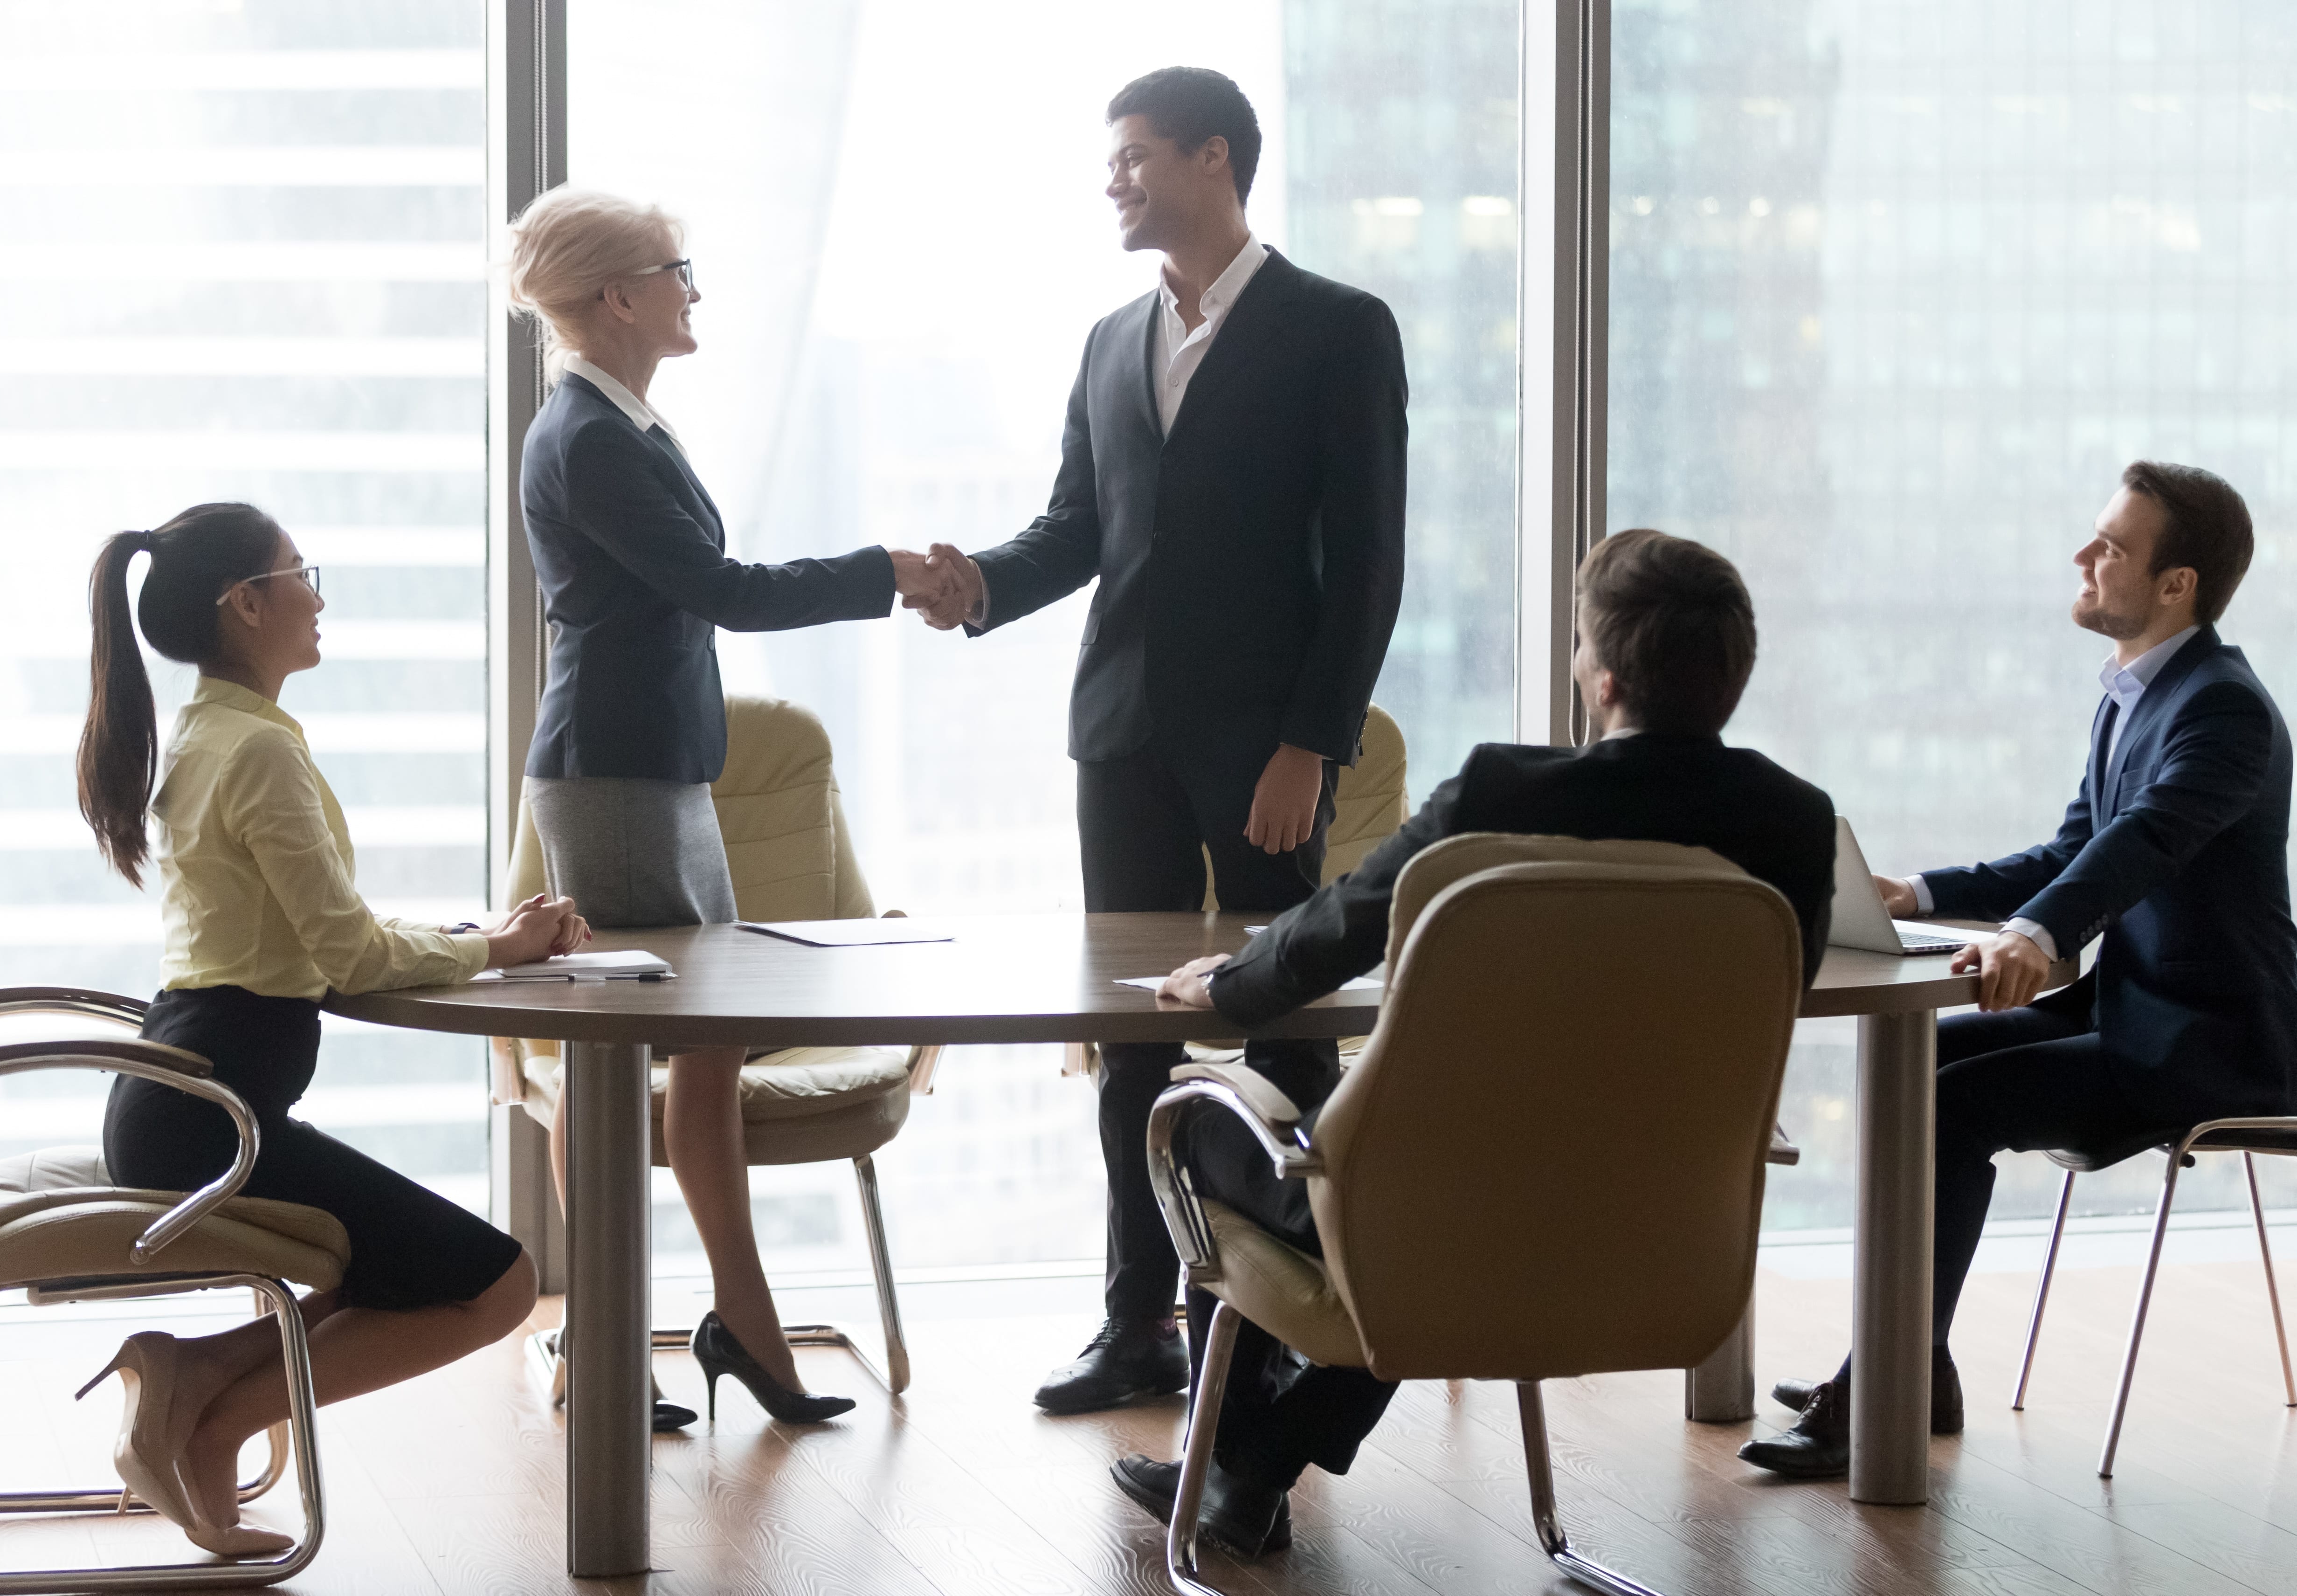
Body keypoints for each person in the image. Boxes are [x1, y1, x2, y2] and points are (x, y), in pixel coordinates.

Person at [1105, 529, 1837, 1558]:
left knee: (1205, 1133)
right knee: (1440, 1201)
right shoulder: (1795, 826)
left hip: (1439, 1218)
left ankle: (1228, 1465)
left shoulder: (1500, 794)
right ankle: (1254, 1467)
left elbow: (1331, 929)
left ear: (1601, 676)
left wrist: (1219, 983)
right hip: (1657, 1223)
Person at [912, 67, 1409, 1415]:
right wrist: (978, 591)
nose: (1114, 181)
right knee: (1126, 1037)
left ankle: (1265, 1322)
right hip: (1118, 732)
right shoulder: (1105, 340)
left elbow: (1368, 563)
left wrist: (1312, 745)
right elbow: (1079, 530)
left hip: (1265, 749)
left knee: (1279, 1025)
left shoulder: (1337, 328)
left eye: (1134, 157)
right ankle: (1134, 1323)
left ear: (1213, 159)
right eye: (1110, 161)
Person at [1743, 462, 2297, 1478]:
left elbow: (2145, 839)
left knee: (1953, 1106)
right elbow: (2070, 847)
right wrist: (1920, 889)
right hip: (2134, 1011)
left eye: (2110, 548)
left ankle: (1883, 1388)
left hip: (2210, 1042)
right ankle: (1917, 1363)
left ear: (2174, 584)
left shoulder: (2224, 710)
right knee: (1918, 1068)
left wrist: (2034, 935)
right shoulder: (2137, 695)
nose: (2082, 559)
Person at [506, 188, 954, 1427]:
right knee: (615, 1061)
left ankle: (736, 1326)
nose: (693, 290)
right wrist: (885, 573)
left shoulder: (622, 421)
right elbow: (721, 589)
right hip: (616, 774)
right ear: (617, 296)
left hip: (657, 767)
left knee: (703, 1048)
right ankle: (599, 1341)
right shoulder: (586, 437)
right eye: (676, 270)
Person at [74, 503, 573, 1556]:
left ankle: (196, 1379)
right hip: (214, 1118)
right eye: (303, 572)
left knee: (397, 1266)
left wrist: (474, 937)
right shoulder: (257, 753)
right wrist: (494, 950)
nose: (319, 595)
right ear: (246, 604)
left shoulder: (213, 736)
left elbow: (317, 929)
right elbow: (344, 955)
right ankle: (212, 1417)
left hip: (185, 1095)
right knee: (502, 1284)